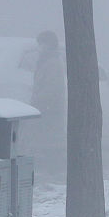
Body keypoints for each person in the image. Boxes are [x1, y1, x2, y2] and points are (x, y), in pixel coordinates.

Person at [30, 30, 66, 170]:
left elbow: (52, 88)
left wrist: (37, 100)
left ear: (49, 44)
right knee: (48, 139)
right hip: (47, 106)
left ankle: (54, 167)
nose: (40, 47)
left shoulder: (52, 62)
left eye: (42, 43)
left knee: (51, 140)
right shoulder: (46, 60)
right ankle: (52, 166)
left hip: (50, 107)